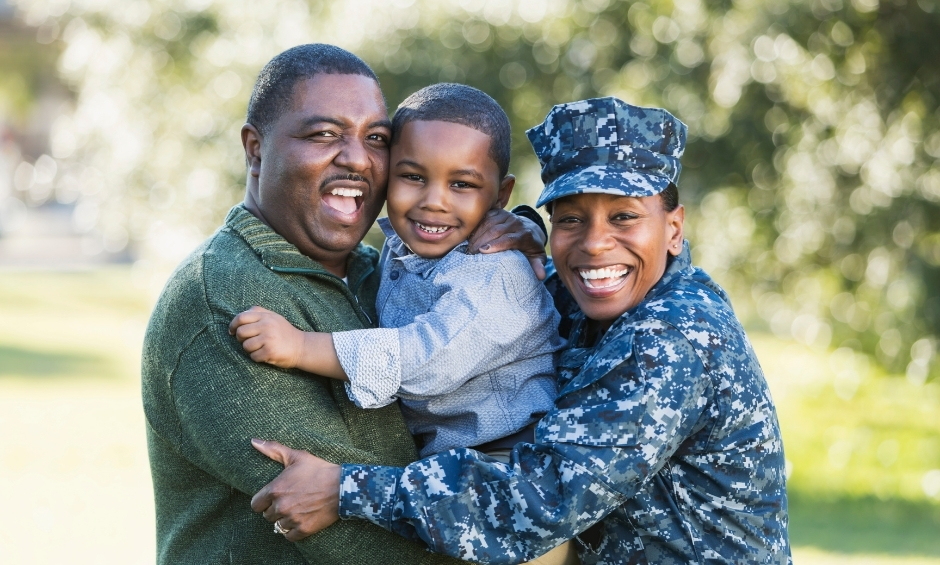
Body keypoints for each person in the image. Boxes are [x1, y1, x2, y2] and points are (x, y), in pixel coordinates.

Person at [249, 97, 792, 564]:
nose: (596, 244)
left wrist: (346, 489)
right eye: (571, 219)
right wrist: (525, 227)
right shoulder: (591, 290)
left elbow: (541, 499)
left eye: (624, 217)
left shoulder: (673, 336)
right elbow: (519, 284)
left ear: (673, 228)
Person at [141, 44, 545, 565]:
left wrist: (528, 232)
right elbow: (351, 538)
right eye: (323, 134)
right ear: (255, 149)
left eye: (375, 138)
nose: (357, 158)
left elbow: (519, 317)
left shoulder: (383, 268)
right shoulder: (225, 300)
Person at [229, 83, 565, 461]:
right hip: (446, 458)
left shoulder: (495, 272)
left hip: (505, 458)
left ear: (501, 196)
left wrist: (302, 347)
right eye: (414, 177)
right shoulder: (399, 247)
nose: (434, 202)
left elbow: (425, 359)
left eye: (461, 184)